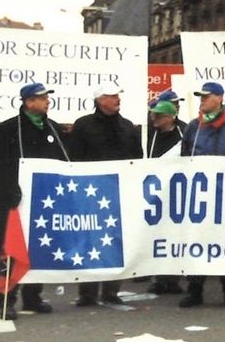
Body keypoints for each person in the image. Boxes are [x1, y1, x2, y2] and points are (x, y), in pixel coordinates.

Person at [0, 83, 68, 319]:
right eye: (42, 98)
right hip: (16, 199)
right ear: (28, 102)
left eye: (46, 97)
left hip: (44, 200)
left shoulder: (53, 128)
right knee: (12, 249)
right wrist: (9, 190)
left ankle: (33, 296)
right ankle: (7, 298)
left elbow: (64, 160)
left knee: (40, 246)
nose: (47, 101)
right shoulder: (8, 129)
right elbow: (0, 164)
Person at [178, 81, 225, 308]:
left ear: (220, 98)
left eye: (206, 96)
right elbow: (183, 161)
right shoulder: (194, 127)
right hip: (200, 198)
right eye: (201, 96)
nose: (202, 100)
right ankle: (195, 290)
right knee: (197, 243)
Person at [68, 83, 142, 307]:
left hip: (120, 191)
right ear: (100, 100)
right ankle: (88, 292)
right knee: (90, 240)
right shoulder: (83, 125)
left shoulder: (128, 126)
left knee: (117, 240)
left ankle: (111, 289)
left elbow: (137, 158)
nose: (117, 99)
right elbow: (74, 159)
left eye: (118, 95)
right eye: (112, 96)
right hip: (91, 192)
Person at [144, 100, 184, 295]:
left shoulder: (182, 134)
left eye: (159, 115)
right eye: (153, 115)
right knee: (155, 233)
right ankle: (159, 277)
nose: (154, 118)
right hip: (153, 190)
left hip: (176, 189)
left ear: (170, 117)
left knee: (174, 233)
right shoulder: (148, 134)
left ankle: (173, 278)